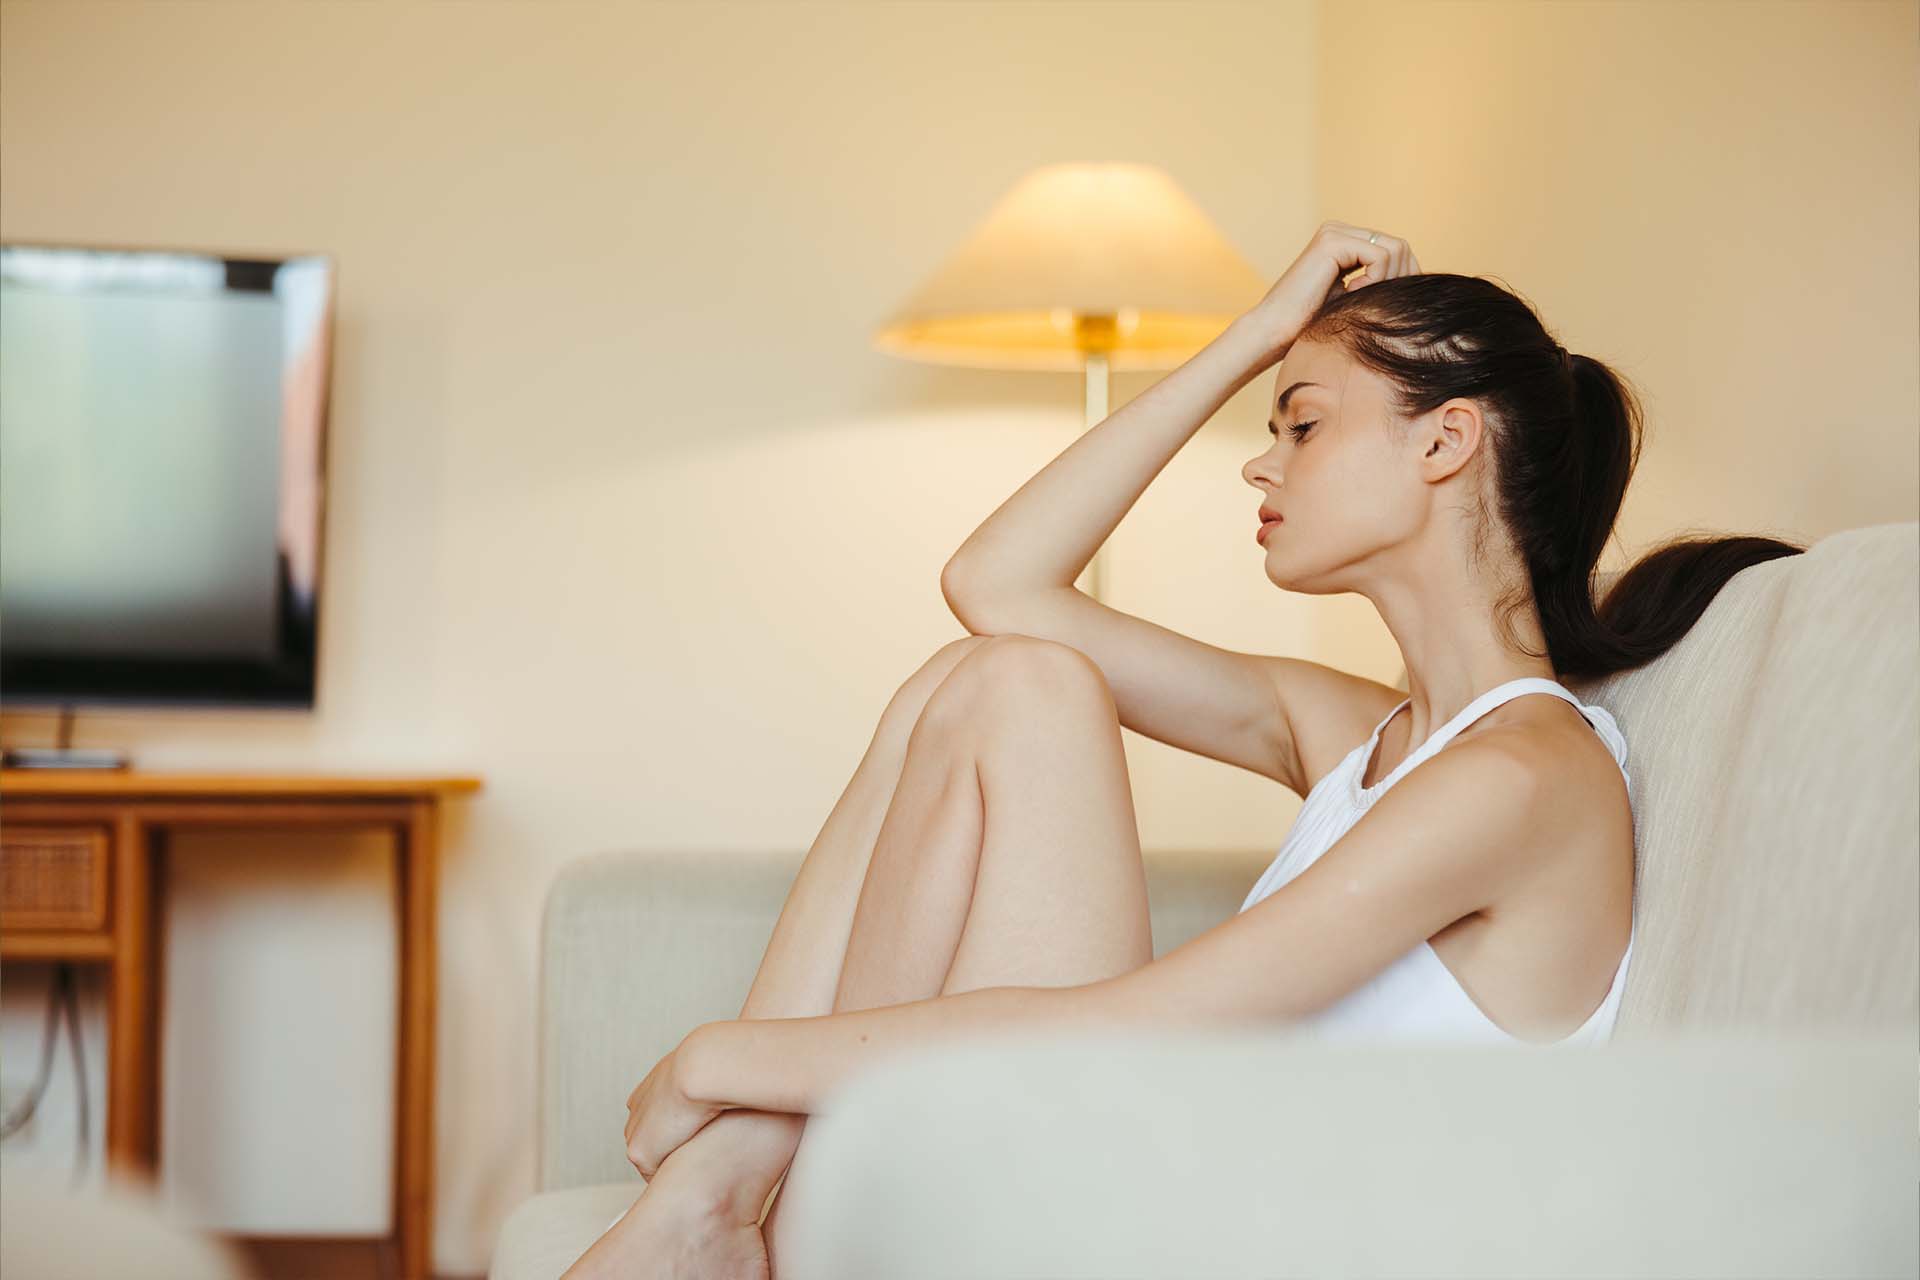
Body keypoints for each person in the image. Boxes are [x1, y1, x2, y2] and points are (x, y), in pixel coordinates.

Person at [562, 222, 1806, 1280]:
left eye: (1302, 424)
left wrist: (718, 1054)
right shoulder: (1365, 735)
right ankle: (720, 1193)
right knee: (999, 675)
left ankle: (718, 1188)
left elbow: (1131, 1028)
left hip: (1206, 1236)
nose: (1261, 461)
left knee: (1024, 684)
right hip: (1155, 1201)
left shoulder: (1525, 778)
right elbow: (996, 584)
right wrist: (1260, 331)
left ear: (1445, 444)